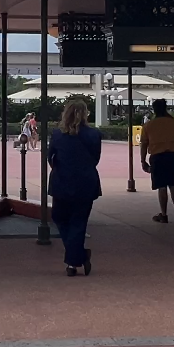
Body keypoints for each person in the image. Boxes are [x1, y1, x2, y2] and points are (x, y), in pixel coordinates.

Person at [48, 99, 102, 276]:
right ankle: (75, 258)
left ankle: (75, 259)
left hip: (62, 182)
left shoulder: (57, 134)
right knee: (79, 222)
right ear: (85, 114)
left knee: (60, 217)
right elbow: (95, 159)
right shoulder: (94, 134)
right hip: (86, 182)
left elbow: (51, 158)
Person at [139, 99, 174, 223]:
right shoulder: (171, 123)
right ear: (165, 108)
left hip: (157, 157)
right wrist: (167, 115)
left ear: (154, 109)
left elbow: (143, 144)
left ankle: (164, 215)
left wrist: (143, 161)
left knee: (162, 186)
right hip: (171, 156)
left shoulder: (149, 125)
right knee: (173, 185)